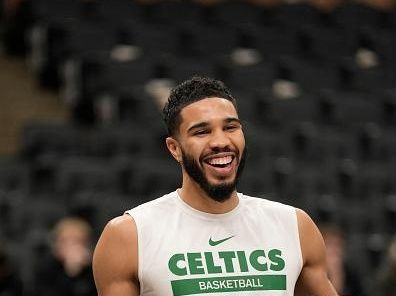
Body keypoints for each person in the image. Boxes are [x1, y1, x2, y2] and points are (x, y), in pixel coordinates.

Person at [93, 76, 339, 295]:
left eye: (230, 127)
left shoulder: (294, 226)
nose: (221, 141)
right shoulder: (130, 235)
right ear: (174, 148)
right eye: (202, 132)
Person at [33, 217, 96, 296]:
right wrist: (71, 272)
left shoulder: (94, 269)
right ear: (56, 244)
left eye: (77, 241)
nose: (71, 247)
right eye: (65, 241)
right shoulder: (44, 268)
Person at [320, 224, 366, 296]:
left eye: (338, 245)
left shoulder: (351, 273)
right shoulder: (314, 272)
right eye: (329, 244)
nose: (334, 250)